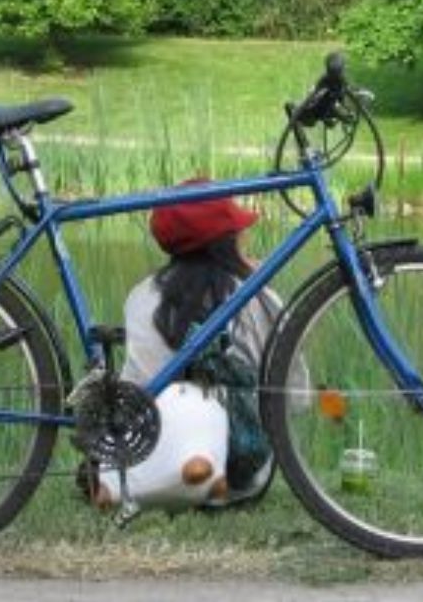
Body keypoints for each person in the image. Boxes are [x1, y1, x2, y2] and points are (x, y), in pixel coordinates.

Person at [89, 179, 300, 512]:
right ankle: (205, 474)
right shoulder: (261, 297)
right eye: (238, 230)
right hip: (244, 481)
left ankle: (132, 482)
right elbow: (296, 398)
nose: (245, 235)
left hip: (154, 467)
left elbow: (137, 389)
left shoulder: (142, 296)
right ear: (227, 241)